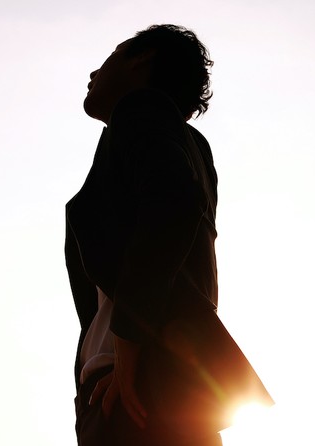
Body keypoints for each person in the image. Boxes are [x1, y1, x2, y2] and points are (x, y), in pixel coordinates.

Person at [65, 24, 226, 446]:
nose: (92, 73)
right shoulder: (188, 146)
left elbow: (173, 205)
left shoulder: (140, 110)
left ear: (141, 59)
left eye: (110, 57)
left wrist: (128, 351)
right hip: (158, 383)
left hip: (138, 386)